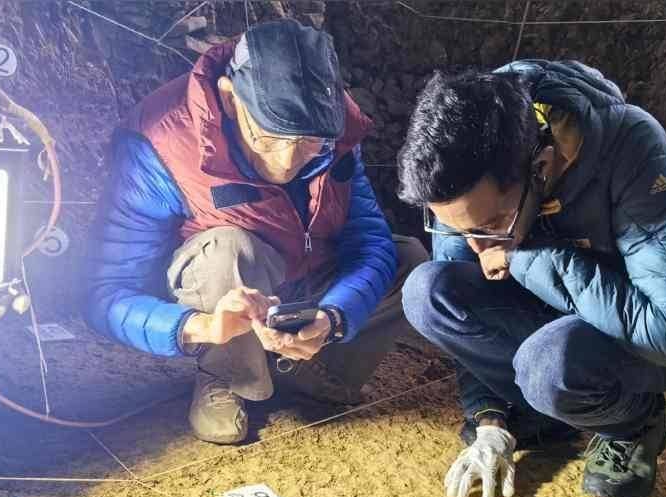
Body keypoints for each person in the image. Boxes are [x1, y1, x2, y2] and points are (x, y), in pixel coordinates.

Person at [398, 61, 666, 497]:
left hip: (654, 329)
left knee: (548, 364)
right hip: (555, 312)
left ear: (542, 164)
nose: (478, 247)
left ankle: (635, 421)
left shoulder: (630, 146)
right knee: (427, 291)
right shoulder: (464, 160)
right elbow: (466, 305)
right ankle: (533, 413)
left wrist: (525, 259)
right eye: (460, 228)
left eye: (491, 224)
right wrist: (488, 420)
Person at [84, 18, 426, 444]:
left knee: (410, 260)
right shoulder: (160, 142)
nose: (287, 162)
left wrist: (333, 316)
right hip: (218, 297)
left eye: (307, 142)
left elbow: (369, 242)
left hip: (303, 288)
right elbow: (106, 293)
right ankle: (228, 377)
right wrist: (201, 327)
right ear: (229, 100)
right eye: (267, 137)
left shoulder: (335, 132)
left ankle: (310, 370)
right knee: (229, 247)